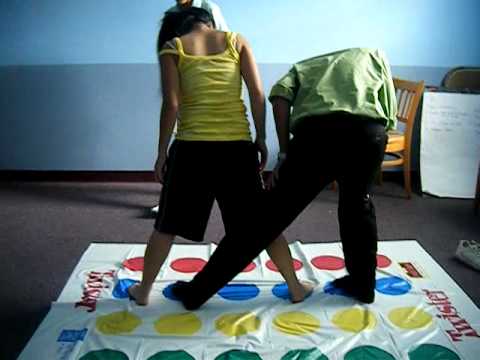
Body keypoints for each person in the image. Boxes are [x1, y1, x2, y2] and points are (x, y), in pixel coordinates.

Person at [171, 48, 398, 310]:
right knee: (358, 206)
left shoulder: (303, 66)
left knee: (264, 220)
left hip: (317, 137)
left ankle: (197, 292)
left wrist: (285, 153)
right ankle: (363, 286)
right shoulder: (373, 55)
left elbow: (279, 98)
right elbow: (388, 110)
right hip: (368, 134)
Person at [128, 8, 312, 306]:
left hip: (191, 150)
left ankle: (144, 292)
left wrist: (161, 152)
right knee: (260, 225)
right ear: (209, 22)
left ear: (177, 28)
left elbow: (172, 105)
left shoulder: (172, 47)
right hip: (236, 150)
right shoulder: (236, 40)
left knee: (166, 225)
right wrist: (262, 138)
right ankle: (294, 287)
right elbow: (257, 93)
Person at [151, 0, 229, 215]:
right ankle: (170, 199)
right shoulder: (172, 13)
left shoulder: (209, 8)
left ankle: (215, 196)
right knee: (180, 133)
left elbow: (223, 41)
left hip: (209, 80)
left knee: (213, 138)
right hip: (181, 72)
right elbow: (164, 45)